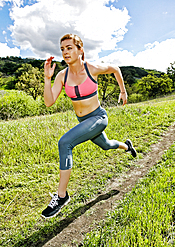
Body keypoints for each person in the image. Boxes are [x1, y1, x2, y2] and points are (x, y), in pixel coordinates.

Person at [41, 34, 137, 218]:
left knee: (65, 143)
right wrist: (47, 79)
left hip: (98, 118)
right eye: (62, 49)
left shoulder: (91, 68)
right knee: (106, 145)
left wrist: (123, 91)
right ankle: (127, 146)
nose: (65, 52)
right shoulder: (62, 75)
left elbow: (115, 69)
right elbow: (49, 101)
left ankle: (61, 196)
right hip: (84, 122)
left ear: (80, 50)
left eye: (69, 48)